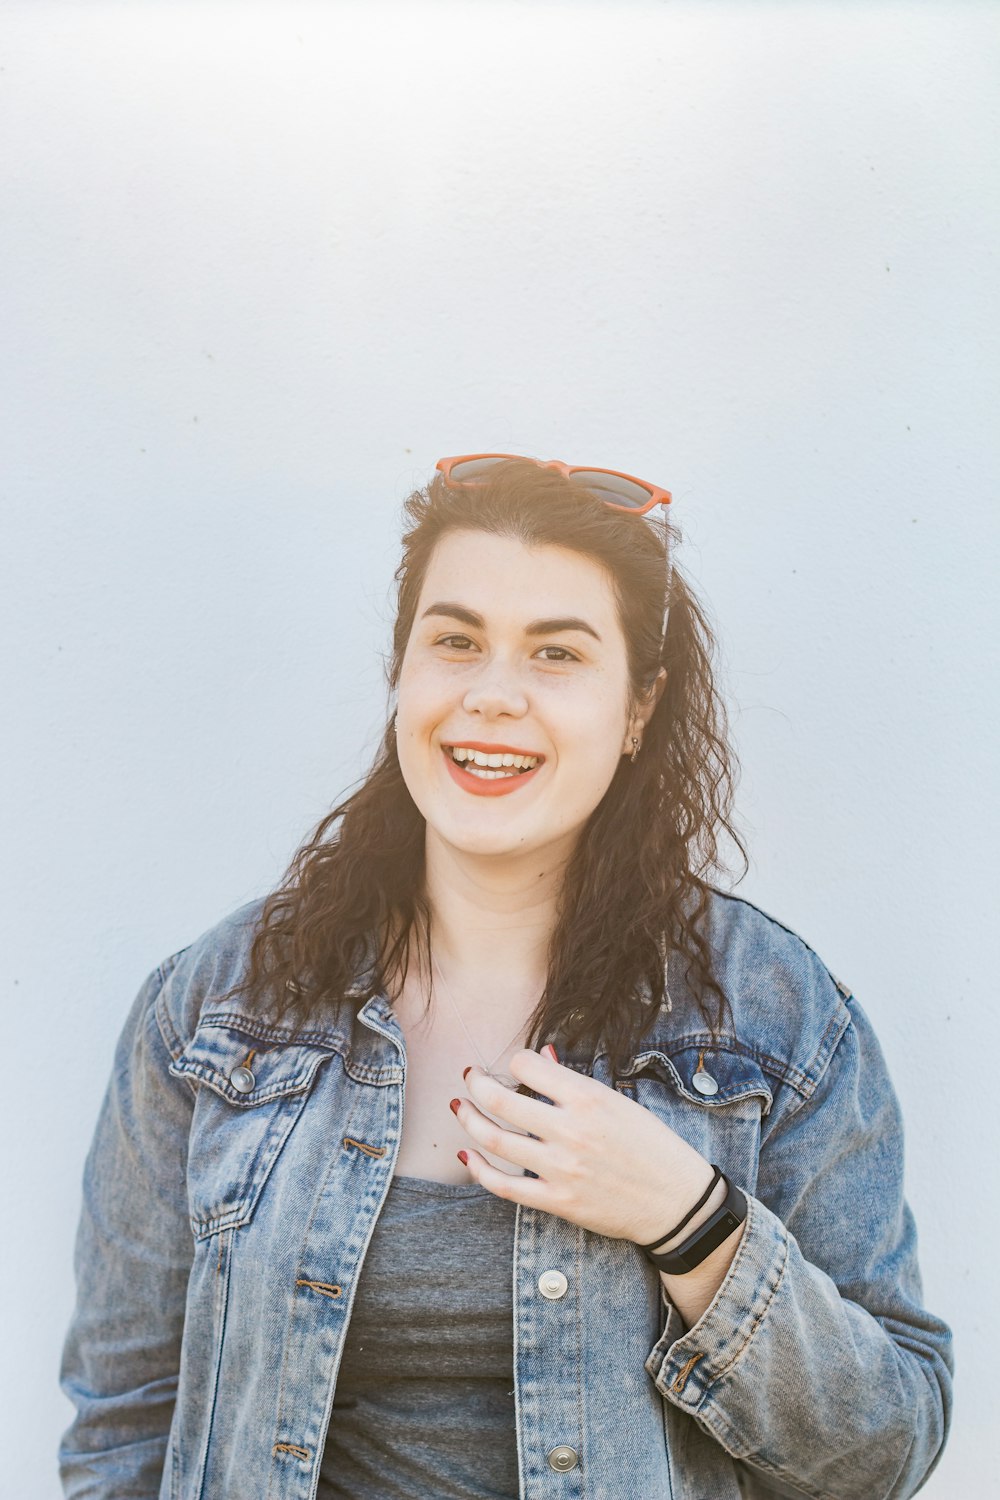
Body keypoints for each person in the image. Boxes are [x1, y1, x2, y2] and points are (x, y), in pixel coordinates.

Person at [59, 453, 954, 1500]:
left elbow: (886, 1448)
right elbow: (122, 1426)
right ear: (403, 675)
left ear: (637, 710)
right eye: (455, 641)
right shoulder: (215, 1006)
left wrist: (688, 1218)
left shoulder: (779, 1022)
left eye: (556, 655)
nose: (492, 695)